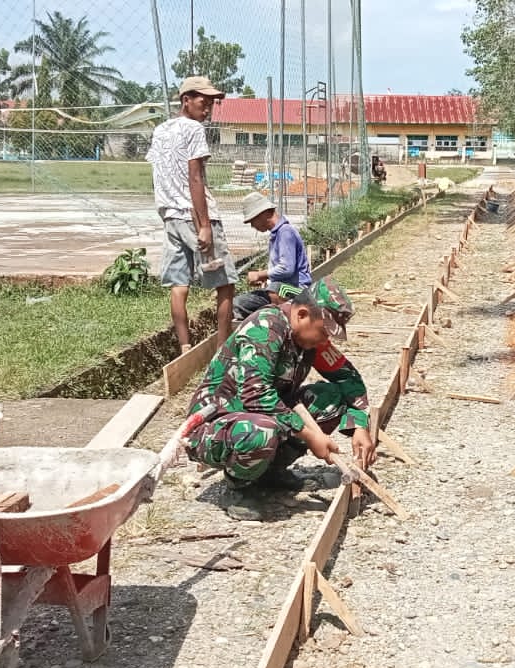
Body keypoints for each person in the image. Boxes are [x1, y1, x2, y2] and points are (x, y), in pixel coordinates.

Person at [183, 277, 375, 520]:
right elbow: (257, 396)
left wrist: (360, 424)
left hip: (268, 417)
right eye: (324, 332)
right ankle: (238, 486)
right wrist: (310, 435)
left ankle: (269, 472)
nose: (325, 341)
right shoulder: (265, 329)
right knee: (261, 430)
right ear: (303, 314)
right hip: (217, 427)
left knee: (331, 398)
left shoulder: (308, 340)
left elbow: (348, 379)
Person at [147, 75, 236, 352]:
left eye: (211, 103)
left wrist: (167, 210)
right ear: (186, 100)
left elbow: (158, 174)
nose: (208, 108)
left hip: (171, 217)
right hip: (194, 215)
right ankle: (223, 349)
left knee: (179, 283)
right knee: (225, 283)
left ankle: (185, 348)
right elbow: (195, 177)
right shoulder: (194, 129)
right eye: (203, 102)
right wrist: (205, 225)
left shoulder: (160, 130)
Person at [232, 191, 312, 321]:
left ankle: (276, 315)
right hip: (286, 289)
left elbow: (287, 268)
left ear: (263, 214)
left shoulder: (285, 232)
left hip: (298, 291)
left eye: (253, 220)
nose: (253, 226)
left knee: (243, 302)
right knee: (243, 301)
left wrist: (260, 274)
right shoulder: (278, 234)